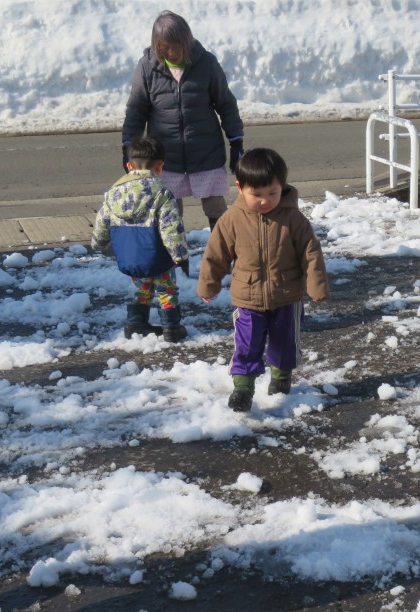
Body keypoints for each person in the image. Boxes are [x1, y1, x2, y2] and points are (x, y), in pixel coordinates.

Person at [197, 148, 330, 412]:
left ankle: (281, 378)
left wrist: (316, 286)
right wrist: (208, 285)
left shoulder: (293, 218)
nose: (264, 201)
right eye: (256, 194)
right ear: (240, 188)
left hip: (287, 296)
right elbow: (216, 254)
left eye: (272, 193)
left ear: (282, 186)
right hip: (247, 297)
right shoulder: (232, 219)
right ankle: (243, 388)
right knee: (246, 343)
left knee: (285, 342)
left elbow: (311, 253)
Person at [122, 10, 244, 232]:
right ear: (156, 44)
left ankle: (222, 248)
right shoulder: (147, 67)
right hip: (165, 157)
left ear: (186, 42)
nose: (171, 53)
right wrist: (128, 145)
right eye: (164, 47)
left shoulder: (206, 63)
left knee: (215, 208)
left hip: (205, 152)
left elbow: (225, 103)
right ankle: (172, 251)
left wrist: (236, 140)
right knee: (169, 211)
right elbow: (136, 110)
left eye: (176, 47)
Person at [92, 135, 190, 343]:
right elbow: (171, 227)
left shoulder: (113, 193)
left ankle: (136, 323)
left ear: (129, 166)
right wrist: (180, 255)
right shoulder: (162, 192)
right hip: (157, 255)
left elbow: (102, 222)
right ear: (160, 166)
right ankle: (171, 327)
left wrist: (99, 244)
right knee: (166, 289)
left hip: (130, 255)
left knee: (143, 286)